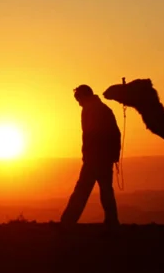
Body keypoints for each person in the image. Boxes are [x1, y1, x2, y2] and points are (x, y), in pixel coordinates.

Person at [60, 84, 121, 229]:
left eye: (78, 99)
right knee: (106, 190)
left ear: (83, 97)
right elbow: (115, 133)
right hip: (104, 158)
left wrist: (87, 155)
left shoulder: (90, 110)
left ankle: (67, 222)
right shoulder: (104, 109)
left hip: (94, 158)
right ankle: (112, 223)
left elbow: (90, 135)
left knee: (82, 190)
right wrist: (114, 155)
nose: (79, 103)